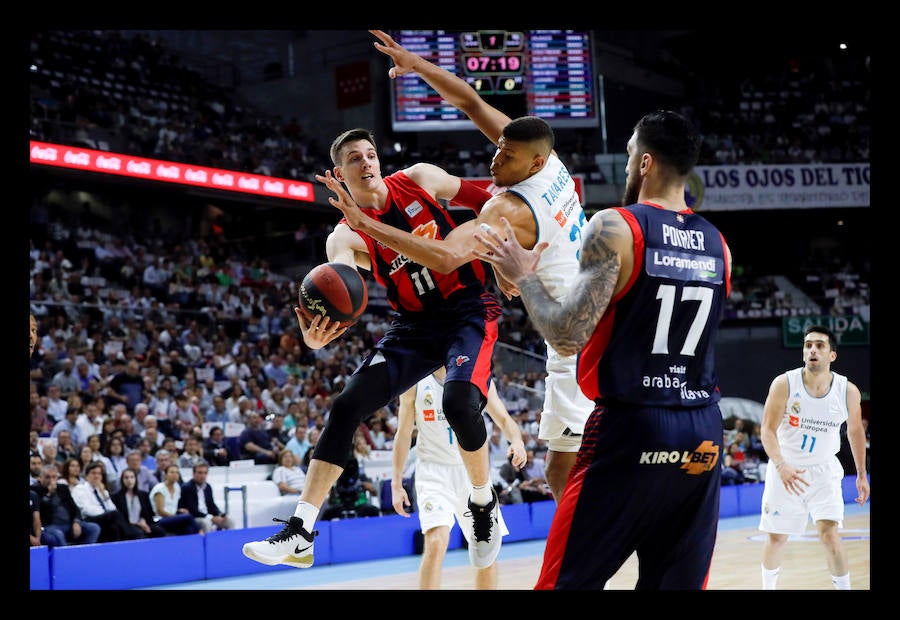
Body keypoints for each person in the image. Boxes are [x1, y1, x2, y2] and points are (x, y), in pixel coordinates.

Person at [325, 30, 593, 505]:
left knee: (564, 470)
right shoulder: (551, 166)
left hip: (575, 337)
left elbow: (448, 256)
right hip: (594, 296)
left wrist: (366, 223)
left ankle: (591, 551)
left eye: (505, 157)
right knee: (566, 462)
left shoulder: (506, 208)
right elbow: (471, 102)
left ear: (532, 164)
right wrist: (419, 65)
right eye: (497, 147)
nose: (494, 158)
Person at [473, 110, 731, 590]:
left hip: (630, 428)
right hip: (702, 431)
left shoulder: (615, 225)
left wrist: (524, 275)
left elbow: (566, 336)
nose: (629, 164)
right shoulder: (718, 245)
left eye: (631, 154)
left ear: (646, 162)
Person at [242, 118, 504, 571]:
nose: (365, 162)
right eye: (352, 159)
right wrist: (313, 330)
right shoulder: (344, 235)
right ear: (339, 175)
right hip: (415, 326)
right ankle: (301, 531)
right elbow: (336, 282)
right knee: (346, 406)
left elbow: (491, 203)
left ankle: (482, 504)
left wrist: (507, 257)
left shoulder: (420, 178)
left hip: (468, 308)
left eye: (369, 154)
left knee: (460, 403)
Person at [758, 324, 869, 590]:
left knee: (830, 536)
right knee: (777, 538)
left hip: (824, 472)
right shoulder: (784, 383)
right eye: (808, 345)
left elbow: (855, 432)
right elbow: (767, 430)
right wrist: (781, 465)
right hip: (786, 471)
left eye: (820, 345)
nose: (812, 350)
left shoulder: (847, 391)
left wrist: (862, 475)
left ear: (832, 355)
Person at [393, 367, 526, 589]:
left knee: (486, 552)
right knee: (435, 542)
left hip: (473, 472)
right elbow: (404, 433)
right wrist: (396, 482)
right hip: (433, 471)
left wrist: (517, 441)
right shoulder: (414, 377)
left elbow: (503, 418)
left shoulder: (476, 371)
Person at [32, 464, 101, 546]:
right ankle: (66, 557)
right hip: (50, 526)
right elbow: (40, 512)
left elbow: (74, 508)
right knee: (58, 534)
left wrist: (76, 522)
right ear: (40, 478)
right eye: (47, 477)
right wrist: (48, 493)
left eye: (54, 477)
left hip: (69, 524)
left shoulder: (63, 488)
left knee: (94, 528)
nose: (51, 480)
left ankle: (84, 553)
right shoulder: (34, 490)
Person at [71, 460, 137, 542]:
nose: (96, 476)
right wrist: (105, 513)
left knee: (115, 527)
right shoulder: (80, 489)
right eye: (93, 473)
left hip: (105, 519)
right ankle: (130, 537)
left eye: (99, 474)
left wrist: (104, 495)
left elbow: (113, 508)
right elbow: (86, 510)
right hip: (88, 519)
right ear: (87, 476)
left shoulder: (103, 491)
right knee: (114, 516)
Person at [111, 467, 168, 538]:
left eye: (132, 477)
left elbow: (150, 514)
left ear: (136, 479)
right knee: (138, 533)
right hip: (127, 526)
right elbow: (119, 518)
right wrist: (138, 524)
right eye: (126, 478)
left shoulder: (143, 495)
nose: (129, 480)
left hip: (143, 523)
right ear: (122, 480)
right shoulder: (116, 497)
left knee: (159, 531)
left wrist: (143, 521)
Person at [179, 461, 234, 533]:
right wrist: (211, 518)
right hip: (195, 517)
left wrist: (220, 514)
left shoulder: (208, 487)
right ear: (193, 473)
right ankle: (208, 543)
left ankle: (229, 542)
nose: (203, 476)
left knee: (230, 521)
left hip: (208, 515)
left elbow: (211, 505)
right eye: (200, 473)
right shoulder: (187, 487)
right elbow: (192, 510)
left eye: (205, 473)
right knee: (206, 522)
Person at [149, 464, 201, 536]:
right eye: (172, 472)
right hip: (160, 519)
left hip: (172, 518)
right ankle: (201, 533)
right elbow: (160, 511)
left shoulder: (177, 487)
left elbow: (172, 506)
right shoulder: (160, 488)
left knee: (189, 528)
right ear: (166, 474)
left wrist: (179, 511)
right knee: (187, 516)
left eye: (177, 472)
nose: (175, 474)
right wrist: (175, 516)